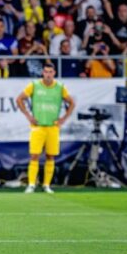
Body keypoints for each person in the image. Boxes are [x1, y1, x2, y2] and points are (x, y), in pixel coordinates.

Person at [15, 63, 76, 193]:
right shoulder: (35, 85)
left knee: (50, 156)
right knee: (34, 155)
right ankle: (31, 184)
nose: (48, 74)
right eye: (46, 72)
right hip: (38, 127)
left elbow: (71, 102)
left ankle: (46, 185)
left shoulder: (60, 87)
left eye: (50, 72)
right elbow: (19, 99)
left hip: (53, 127)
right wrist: (28, 116)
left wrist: (63, 119)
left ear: (54, 73)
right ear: (42, 73)